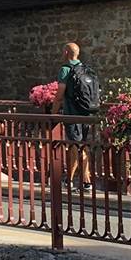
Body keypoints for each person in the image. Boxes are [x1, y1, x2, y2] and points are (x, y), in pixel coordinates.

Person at [52, 42, 96, 186]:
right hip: (86, 112)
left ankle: (75, 180)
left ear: (65, 53)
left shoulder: (65, 70)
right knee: (81, 145)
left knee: (75, 146)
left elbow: (59, 95)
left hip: (72, 113)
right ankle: (82, 180)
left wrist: (53, 113)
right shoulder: (86, 69)